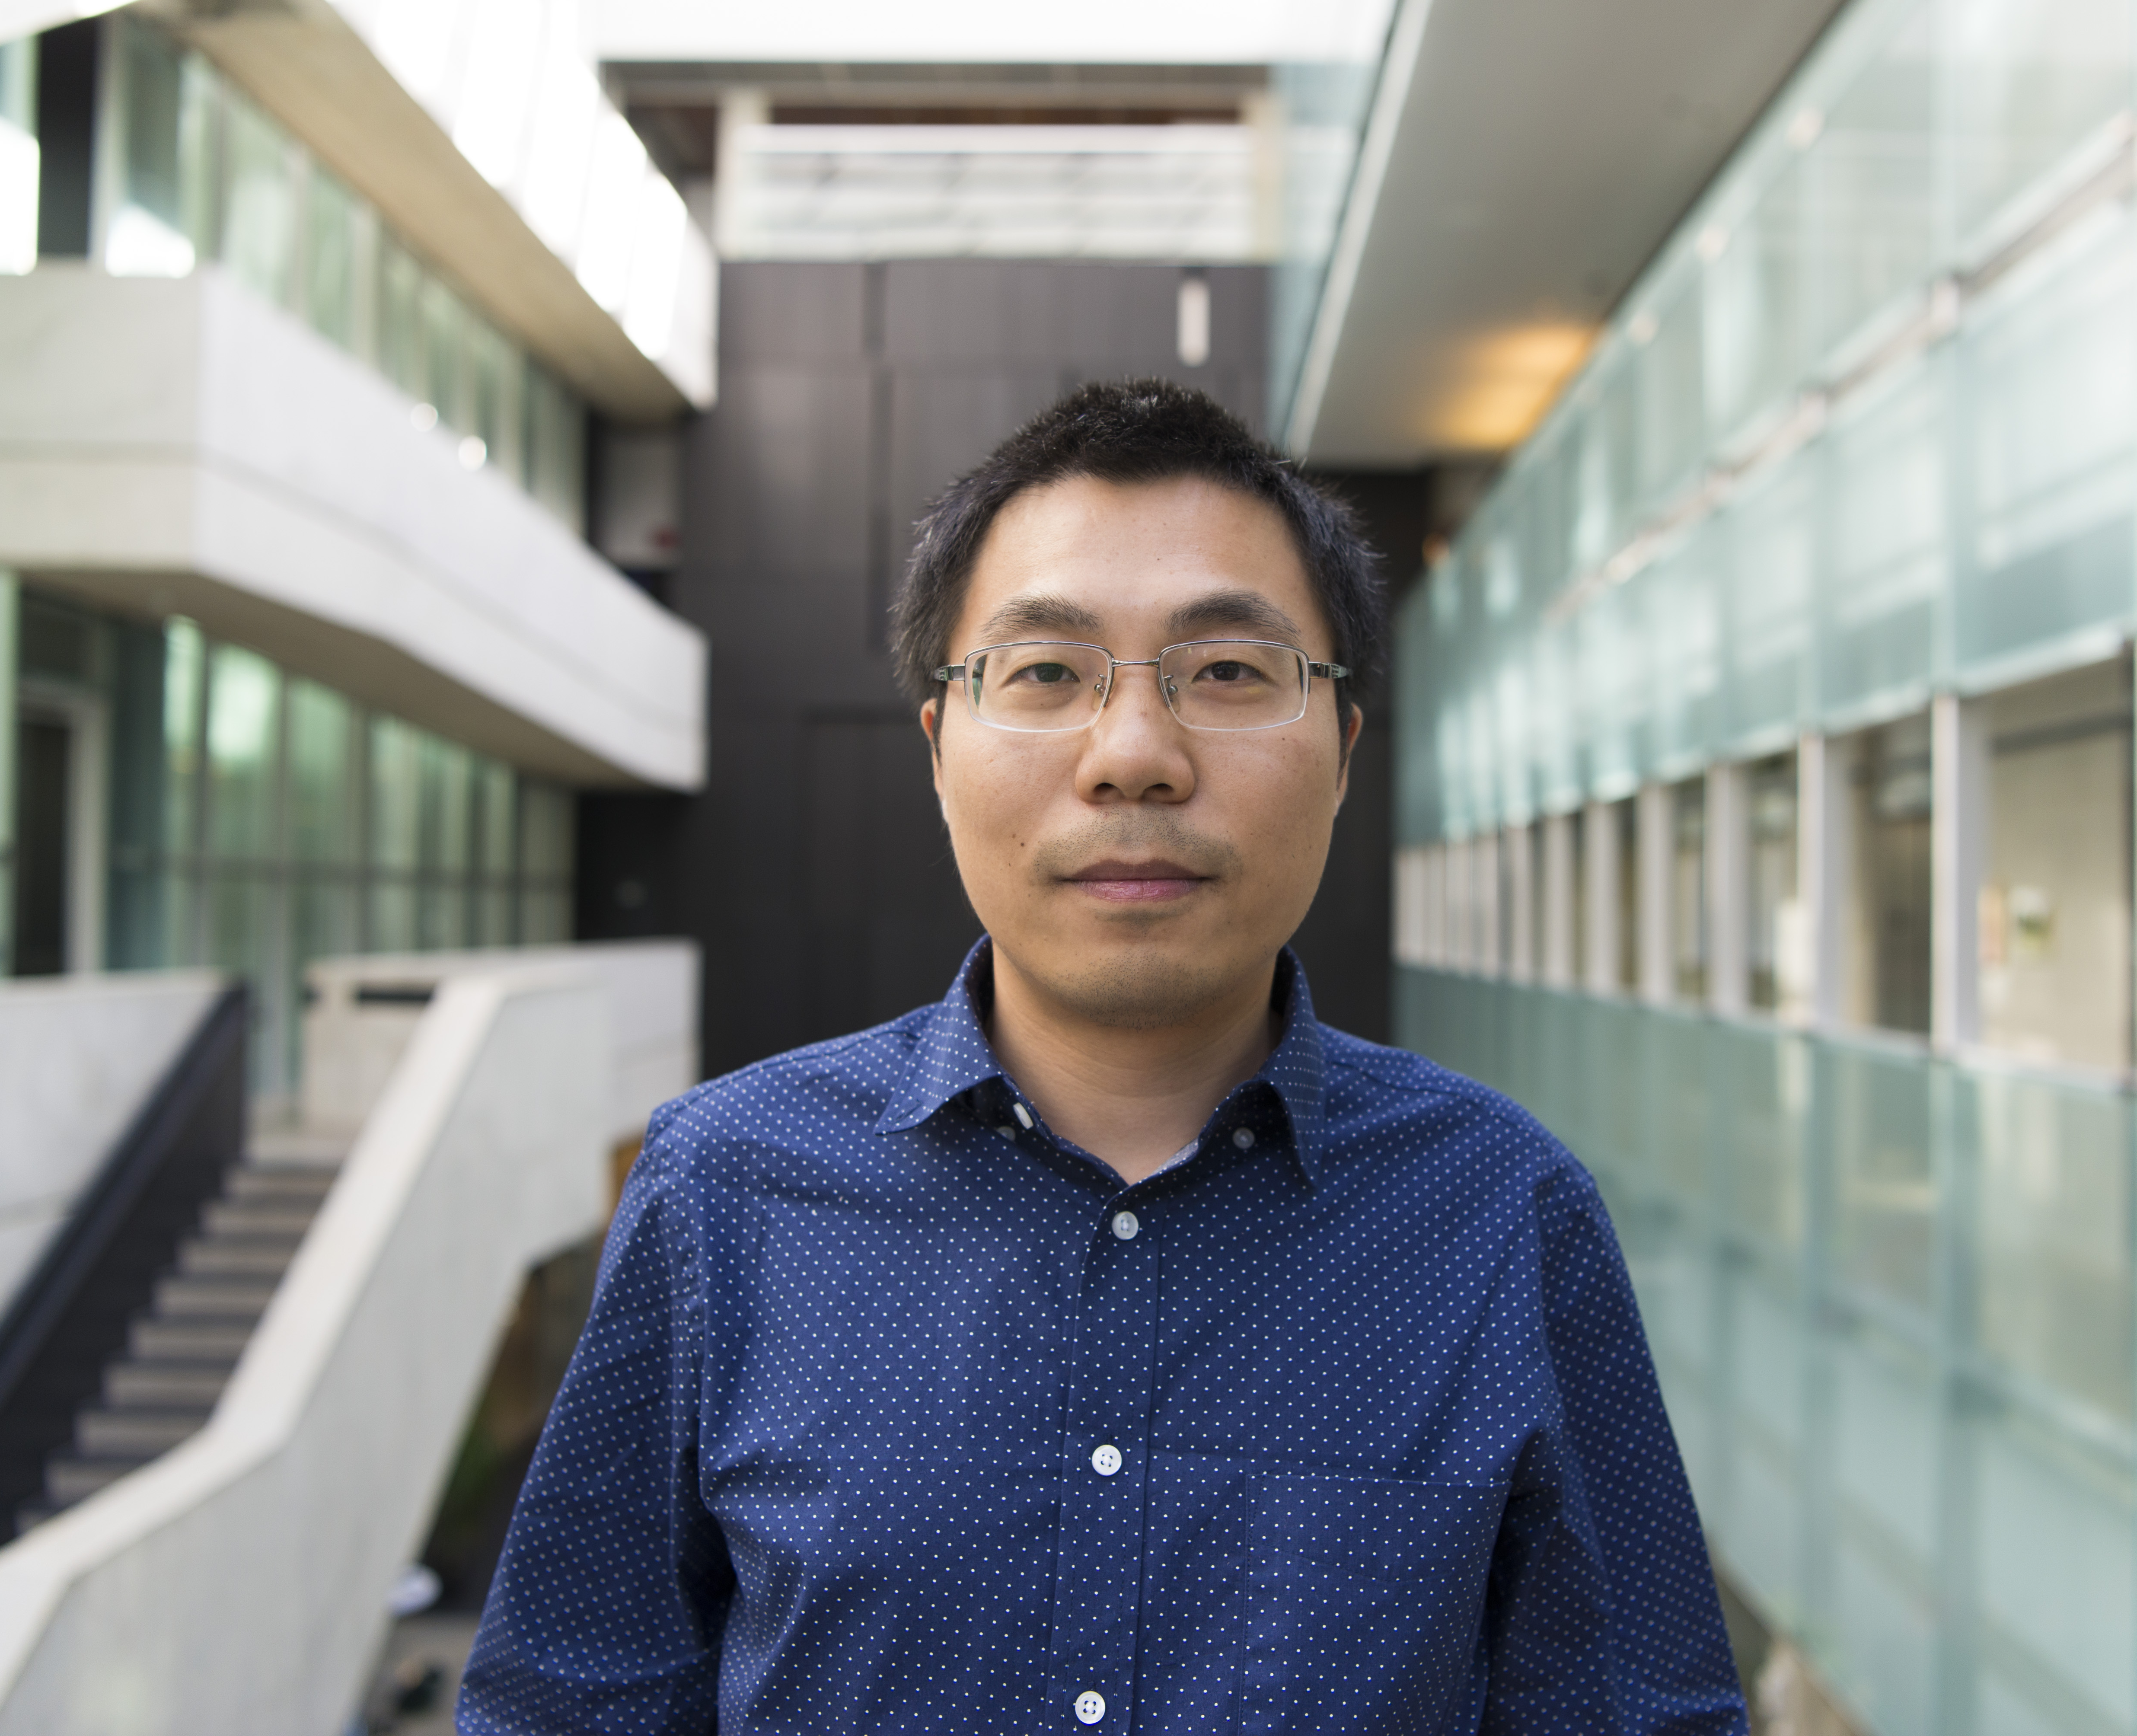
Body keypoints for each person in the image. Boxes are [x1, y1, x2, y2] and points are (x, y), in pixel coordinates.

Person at [456, 381, 1748, 1734]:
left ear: (1345, 750)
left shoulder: (1503, 1216)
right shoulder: (722, 1193)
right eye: (1047, 674)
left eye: (1231, 674)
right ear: (940, 749)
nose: (1134, 756)